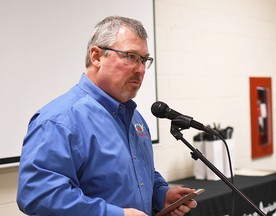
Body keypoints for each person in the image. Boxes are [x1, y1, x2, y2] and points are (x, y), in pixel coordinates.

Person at [17, 16, 197, 216]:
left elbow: (140, 173)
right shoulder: (60, 120)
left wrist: (161, 194)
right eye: (130, 56)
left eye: (144, 60)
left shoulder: (134, 117)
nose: (139, 69)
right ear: (96, 56)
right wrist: (114, 214)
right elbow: (39, 196)